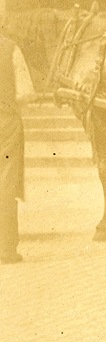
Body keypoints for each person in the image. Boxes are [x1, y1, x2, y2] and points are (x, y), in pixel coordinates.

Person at [0, 33, 35, 264]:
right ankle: (5, 249)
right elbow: (26, 94)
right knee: (6, 182)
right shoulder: (10, 48)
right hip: (6, 123)